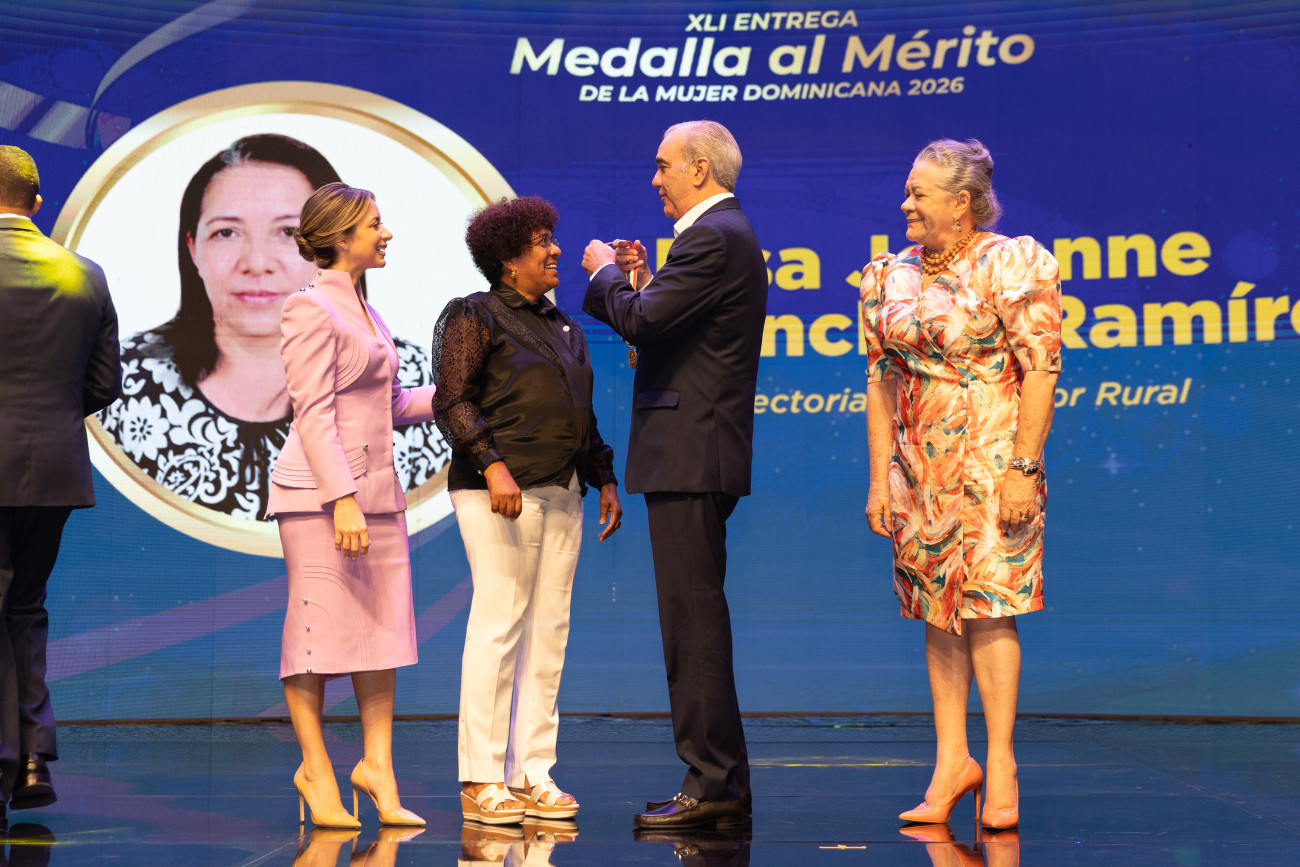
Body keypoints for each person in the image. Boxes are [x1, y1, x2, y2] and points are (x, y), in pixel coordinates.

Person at [860, 138, 1062, 831]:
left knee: (988, 606)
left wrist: (1023, 468)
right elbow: (880, 381)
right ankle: (953, 762)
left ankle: (1000, 763)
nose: (905, 204)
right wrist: (881, 480)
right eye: (907, 191)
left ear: (962, 203)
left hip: (991, 463)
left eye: (918, 193)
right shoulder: (889, 275)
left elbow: (1041, 368)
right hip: (920, 469)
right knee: (936, 609)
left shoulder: (1010, 263)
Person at [97, 134, 447, 519]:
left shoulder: (411, 372)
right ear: (193, 249)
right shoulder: (125, 382)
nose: (257, 263)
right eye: (226, 232)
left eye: (288, 233)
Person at [581, 120, 767, 829]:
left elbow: (646, 324)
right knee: (695, 619)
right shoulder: (720, 235)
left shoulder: (712, 235)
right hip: (693, 451)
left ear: (699, 169)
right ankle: (721, 780)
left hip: (691, 452)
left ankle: (712, 781)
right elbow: (671, 328)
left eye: (663, 166)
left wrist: (603, 274)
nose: (654, 179)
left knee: (691, 625)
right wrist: (638, 282)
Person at [433, 195, 622, 825]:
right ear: (508, 259)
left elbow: (578, 410)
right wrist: (492, 464)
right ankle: (481, 776)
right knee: (499, 622)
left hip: (562, 490)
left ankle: (532, 771)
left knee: (549, 631)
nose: (557, 249)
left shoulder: (562, 325)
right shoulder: (474, 314)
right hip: (499, 492)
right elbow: (453, 400)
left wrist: (603, 476)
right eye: (543, 241)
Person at [268, 182, 434, 829]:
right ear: (341, 237)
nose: (385, 233)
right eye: (375, 224)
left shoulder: (367, 309)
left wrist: (463, 392)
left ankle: (377, 769)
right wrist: (341, 499)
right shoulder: (308, 308)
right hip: (321, 498)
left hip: (378, 495)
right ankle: (314, 768)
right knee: (315, 632)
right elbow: (312, 413)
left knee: (381, 632)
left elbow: (391, 404)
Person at [0, 145, 121, 820]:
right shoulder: (84, 273)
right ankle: (31, 759)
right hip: (52, 465)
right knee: (25, 606)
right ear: (37, 203)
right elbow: (104, 383)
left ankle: (10, 760)